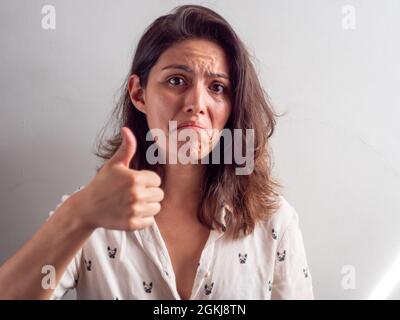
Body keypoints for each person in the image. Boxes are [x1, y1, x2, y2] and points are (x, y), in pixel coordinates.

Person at [0, 4, 314, 300]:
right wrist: (79, 214)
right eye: (177, 81)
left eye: (217, 87)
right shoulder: (92, 211)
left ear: (233, 106)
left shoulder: (274, 222)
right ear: (139, 94)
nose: (197, 104)